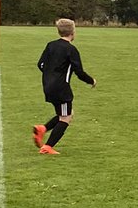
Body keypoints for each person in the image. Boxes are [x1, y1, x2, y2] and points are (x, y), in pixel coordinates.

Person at [33, 18, 96, 156]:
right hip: (61, 88)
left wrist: (51, 76)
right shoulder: (71, 50)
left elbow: (41, 65)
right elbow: (79, 72)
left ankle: (42, 129)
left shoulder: (51, 45)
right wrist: (91, 81)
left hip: (48, 86)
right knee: (65, 118)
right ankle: (47, 147)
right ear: (73, 32)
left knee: (66, 113)